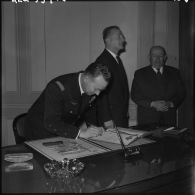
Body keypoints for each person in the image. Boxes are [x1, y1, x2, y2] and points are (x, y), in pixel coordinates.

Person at [24, 62, 111, 141]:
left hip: (61, 131)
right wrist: (80, 133)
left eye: (101, 90)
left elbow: (86, 109)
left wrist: (93, 128)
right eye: (96, 89)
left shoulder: (89, 88)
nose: (98, 93)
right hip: (39, 132)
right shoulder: (57, 87)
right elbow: (51, 122)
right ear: (86, 78)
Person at [131, 45, 186, 127]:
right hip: (147, 120)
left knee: (169, 140)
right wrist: (153, 104)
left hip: (169, 119)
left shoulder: (175, 72)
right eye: (154, 56)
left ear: (165, 57)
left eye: (160, 56)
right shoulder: (140, 74)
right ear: (149, 57)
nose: (157, 59)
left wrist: (171, 103)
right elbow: (135, 95)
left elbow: (181, 93)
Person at [88, 26, 129, 129]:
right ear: (108, 40)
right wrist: (106, 118)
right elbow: (100, 94)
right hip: (111, 119)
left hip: (119, 116)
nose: (123, 40)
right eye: (119, 37)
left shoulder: (116, 59)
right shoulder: (103, 61)